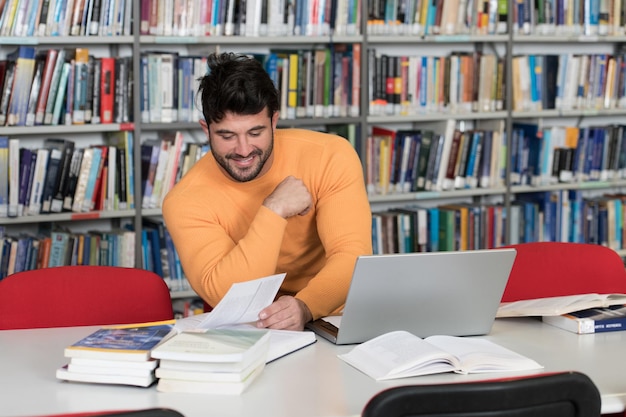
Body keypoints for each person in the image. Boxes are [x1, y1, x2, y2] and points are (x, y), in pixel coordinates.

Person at [162, 52, 372, 331]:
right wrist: (273, 210)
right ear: (206, 129)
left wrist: (305, 306)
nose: (243, 149)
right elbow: (227, 296)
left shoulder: (330, 155)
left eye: (255, 132)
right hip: (251, 324)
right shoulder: (185, 201)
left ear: (274, 122)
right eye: (227, 136)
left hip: (334, 315)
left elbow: (352, 257)